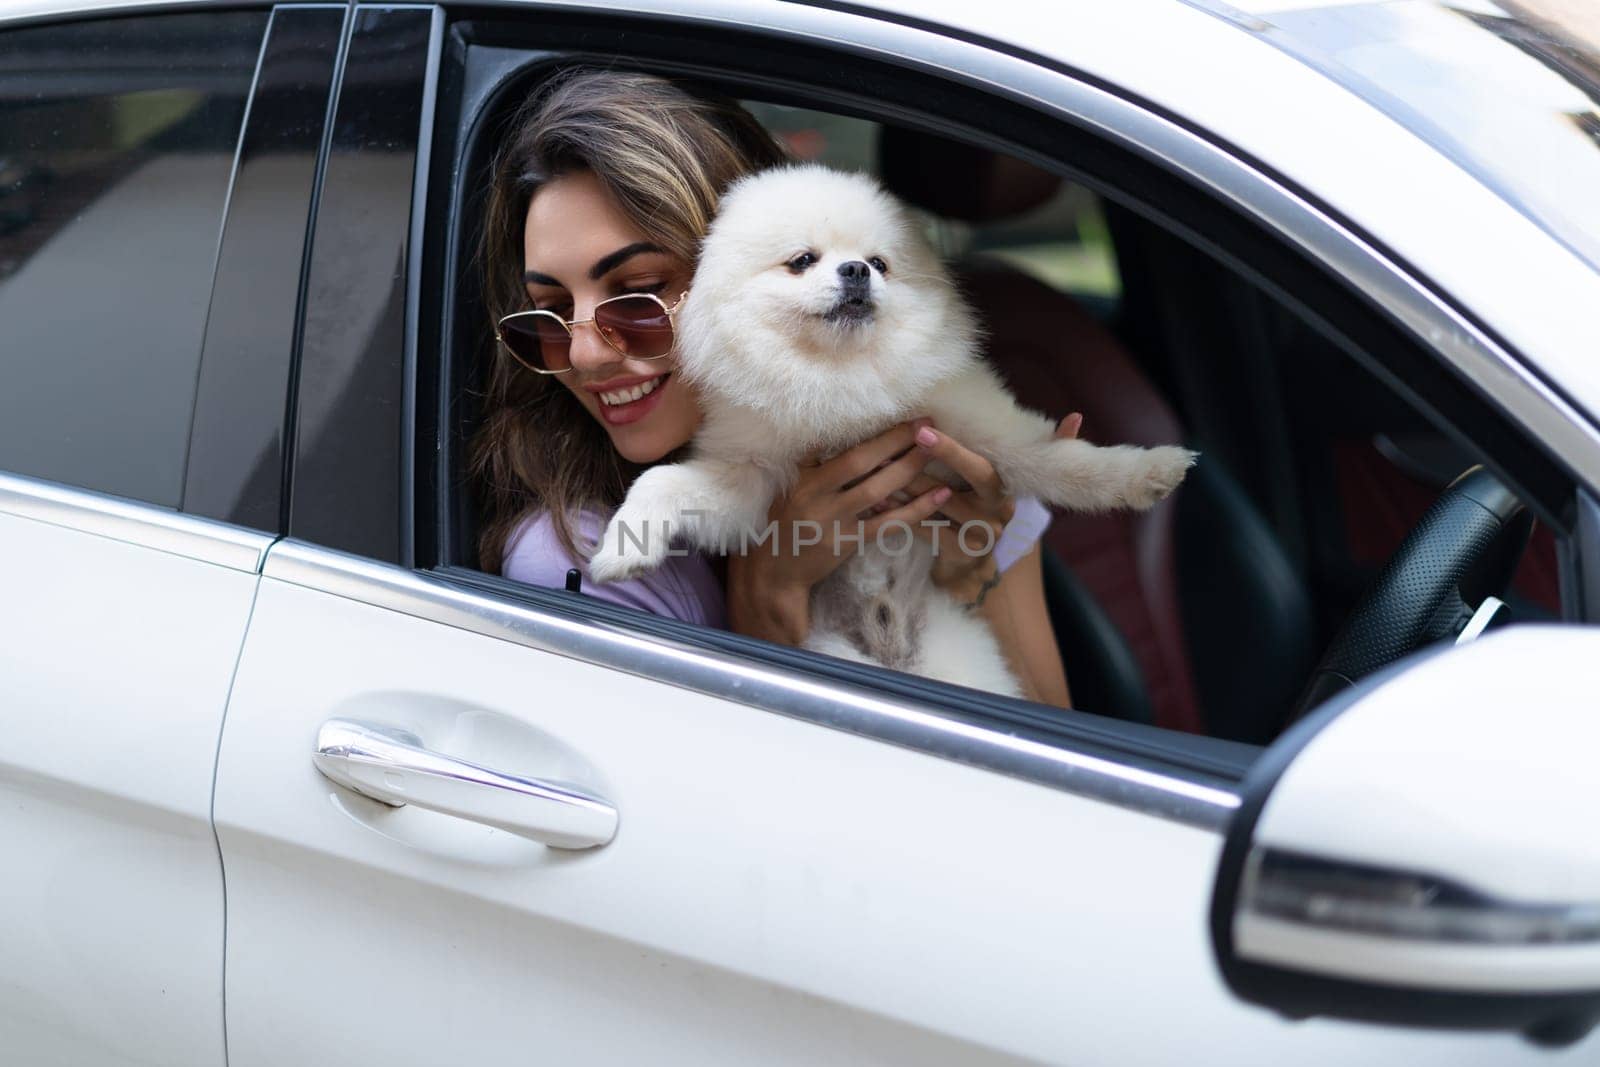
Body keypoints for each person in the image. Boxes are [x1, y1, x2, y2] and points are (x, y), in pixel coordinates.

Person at [471, 68, 1075, 707]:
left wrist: (978, 574)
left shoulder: (937, 443)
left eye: (639, 293)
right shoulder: (586, 559)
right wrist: (768, 609)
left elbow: (1059, 754)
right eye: (551, 313)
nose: (587, 354)